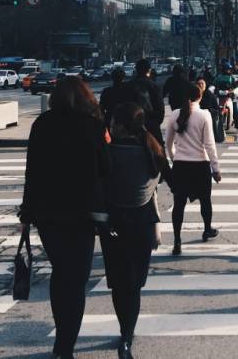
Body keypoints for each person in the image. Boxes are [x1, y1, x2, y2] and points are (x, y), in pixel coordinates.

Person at [20, 76, 111, 359]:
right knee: (78, 278)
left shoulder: (42, 124)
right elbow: (105, 170)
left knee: (61, 272)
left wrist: (27, 209)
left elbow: (31, 170)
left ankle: (62, 341)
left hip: (47, 212)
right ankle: (65, 343)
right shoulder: (92, 126)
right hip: (82, 212)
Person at [101, 102, 171, 359]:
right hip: (142, 221)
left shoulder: (110, 152)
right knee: (134, 284)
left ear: (120, 125)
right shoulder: (152, 151)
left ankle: (124, 331)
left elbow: (102, 183)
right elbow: (161, 181)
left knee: (119, 283)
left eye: (113, 122)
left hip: (114, 223)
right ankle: (128, 335)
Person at [165, 82, 221, 255]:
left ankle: (177, 240)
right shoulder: (204, 115)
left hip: (181, 166)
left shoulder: (174, 115)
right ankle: (207, 229)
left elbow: (167, 143)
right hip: (200, 165)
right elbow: (209, 144)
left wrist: (175, 157)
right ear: (200, 96)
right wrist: (216, 168)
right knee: (205, 200)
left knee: (178, 205)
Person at [197, 78, 224, 144]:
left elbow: (213, 107)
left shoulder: (208, 94)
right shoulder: (195, 94)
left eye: (202, 83)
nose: (200, 85)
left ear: (205, 85)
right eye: (199, 84)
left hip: (209, 115)